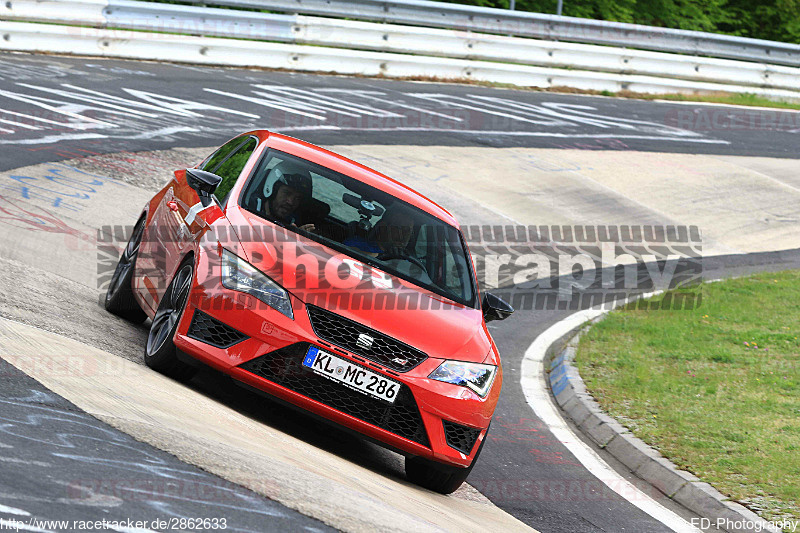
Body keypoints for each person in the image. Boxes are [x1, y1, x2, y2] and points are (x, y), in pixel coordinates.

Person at [262, 162, 315, 232]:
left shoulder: (293, 222)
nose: (291, 202)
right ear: (273, 190)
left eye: (297, 198)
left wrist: (296, 237)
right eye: (286, 193)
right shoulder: (249, 207)